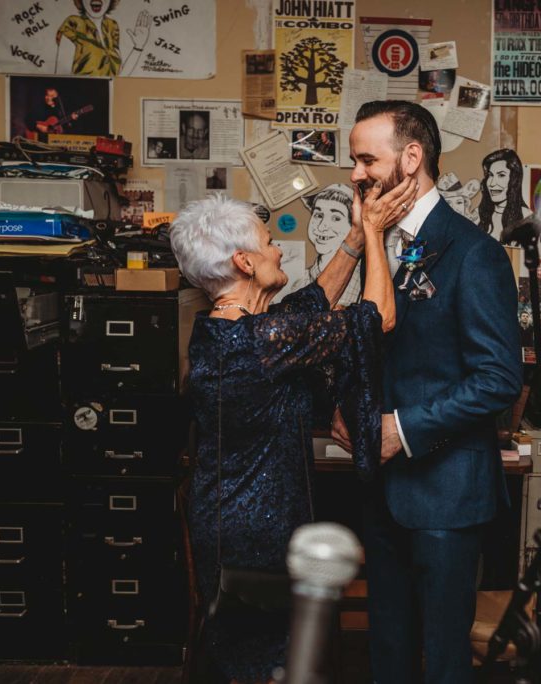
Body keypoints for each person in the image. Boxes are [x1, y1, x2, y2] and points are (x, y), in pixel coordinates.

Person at [170, 181, 413, 683]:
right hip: (258, 536)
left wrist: (349, 237)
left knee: (250, 656)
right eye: (267, 240)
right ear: (244, 262)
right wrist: (373, 232)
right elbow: (378, 318)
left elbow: (313, 302)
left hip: (227, 520)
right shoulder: (265, 341)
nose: (278, 246)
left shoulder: (224, 331)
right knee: (269, 662)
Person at [334, 100, 522, 684]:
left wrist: (402, 428)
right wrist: (346, 408)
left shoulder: (475, 253)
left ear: (411, 158)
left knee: (443, 661)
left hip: (446, 494)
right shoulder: (374, 241)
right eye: (354, 161)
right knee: (386, 651)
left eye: (367, 159)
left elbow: (498, 379)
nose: (356, 174)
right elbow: (375, 346)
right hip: (383, 491)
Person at [299, 183, 363, 305]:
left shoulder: (362, 279)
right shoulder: (302, 279)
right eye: (318, 215)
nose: (322, 226)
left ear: (353, 226)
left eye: (336, 218)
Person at [56, 0, 149, 76]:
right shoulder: (72, 24)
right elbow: (60, 78)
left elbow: (119, 77)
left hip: (110, 96)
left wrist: (138, 47)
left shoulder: (112, 26)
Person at [477, 148, 532, 241]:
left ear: (514, 179)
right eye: (490, 175)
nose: (492, 183)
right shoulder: (479, 215)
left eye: (501, 175)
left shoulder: (526, 216)